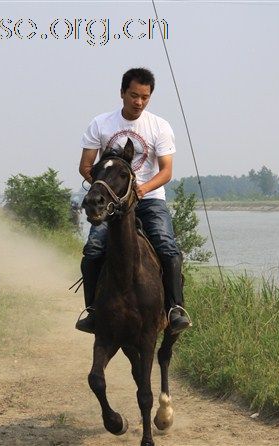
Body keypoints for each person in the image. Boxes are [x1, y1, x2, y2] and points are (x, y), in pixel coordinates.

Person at [76, 67, 191, 335]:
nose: (138, 102)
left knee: (167, 246)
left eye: (145, 97)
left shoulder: (159, 126)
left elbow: (166, 171)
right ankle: (93, 311)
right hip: (113, 204)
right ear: (122, 93)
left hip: (149, 199)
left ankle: (175, 308)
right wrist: (106, 192)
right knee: (93, 250)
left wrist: (141, 190)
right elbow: (85, 166)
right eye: (134, 95)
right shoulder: (101, 124)